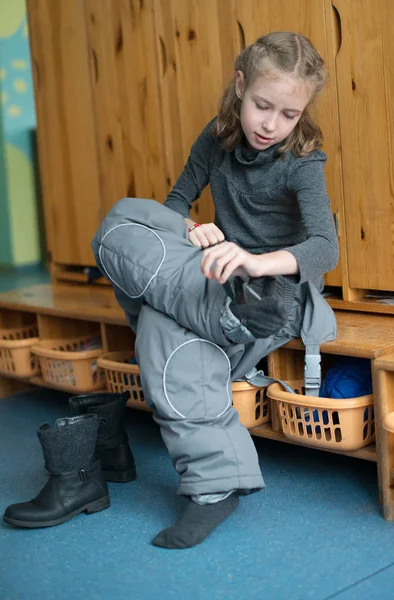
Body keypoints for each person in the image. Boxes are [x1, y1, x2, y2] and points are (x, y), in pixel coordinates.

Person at [3, 32, 338, 546]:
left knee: (162, 329)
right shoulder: (218, 136)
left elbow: (324, 249)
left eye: (289, 114)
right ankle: (211, 469)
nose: (271, 124)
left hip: (268, 297)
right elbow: (176, 202)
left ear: (303, 112)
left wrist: (252, 260)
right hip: (206, 283)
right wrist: (189, 229)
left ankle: (208, 485)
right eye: (261, 106)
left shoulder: (301, 161)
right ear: (240, 85)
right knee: (123, 219)